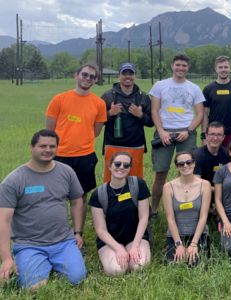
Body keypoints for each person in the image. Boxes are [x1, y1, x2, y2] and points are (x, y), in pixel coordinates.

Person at [0, 130, 86, 289]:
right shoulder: (14, 180)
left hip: (63, 241)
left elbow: (76, 201)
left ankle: (51, 262)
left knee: (77, 278)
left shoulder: (66, 172)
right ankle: (32, 261)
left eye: (52, 146)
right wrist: (6, 258)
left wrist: (77, 233)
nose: (48, 150)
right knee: (35, 288)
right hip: (29, 244)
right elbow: (3, 221)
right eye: (43, 146)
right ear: (31, 147)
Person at [45, 63, 107, 231]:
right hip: (60, 156)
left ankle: (77, 233)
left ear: (95, 80)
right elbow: (49, 131)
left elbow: (96, 132)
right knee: (56, 196)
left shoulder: (99, 104)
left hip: (85, 156)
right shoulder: (59, 99)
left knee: (81, 195)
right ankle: (57, 231)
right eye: (85, 75)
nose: (88, 79)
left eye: (92, 77)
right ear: (76, 75)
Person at [149, 53, 205, 218]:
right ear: (172, 66)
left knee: (187, 172)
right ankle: (154, 210)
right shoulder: (160, 85)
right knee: (160, 174)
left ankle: (186, 207)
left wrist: (188, 131)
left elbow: (200, 114)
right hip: (164, 131)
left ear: (188, 68)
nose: (181, 68)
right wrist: (161, 132)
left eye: (184, 65)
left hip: (186, 132)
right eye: (178, 65)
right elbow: (154, 110)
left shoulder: (194, 88)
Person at [89, 152, 151, 275]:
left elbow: (144, 217)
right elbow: (101, 230)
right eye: (117, 163)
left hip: (135, 237)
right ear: (110, 166)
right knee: (116, 270)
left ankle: (131, 249)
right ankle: (120, 250)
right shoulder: (99, 194)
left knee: (138, 266)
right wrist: (118, 248)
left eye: (126, 165)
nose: (121, 167)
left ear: (129, 169)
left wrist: (135, 246)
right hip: (111, 240)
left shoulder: (139, 185)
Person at [101, 62, 153, 183]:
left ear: (136, 76)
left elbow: (151, 122)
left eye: (131, 73)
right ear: (118, 76)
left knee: (134, 180)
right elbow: (96, 120)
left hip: (136, 146)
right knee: (111, 180)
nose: (127, 76)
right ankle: (110, 202)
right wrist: (110, 114)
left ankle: (134, 202)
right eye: (124, 73)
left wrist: (140, 115)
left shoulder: (143, 97)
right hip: (113, 145)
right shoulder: (108, 95)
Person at [163, 151, 212, 265]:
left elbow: (203, 216)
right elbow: (170, 219)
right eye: (181, 164)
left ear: (194, 164)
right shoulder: (168, 187)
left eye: (189, 162)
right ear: (177, 167)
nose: (185, 166)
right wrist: (178, 244)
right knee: (174, 264)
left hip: (198, 234)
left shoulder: (205, 185)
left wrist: (194, 243)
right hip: (176, 234)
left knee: (195, 263)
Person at [200, 56, 231, 148]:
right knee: (213, 160)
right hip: (213, 133)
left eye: (226, 67)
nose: (223, 70)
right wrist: (204, 134)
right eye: (220, 67)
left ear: (230, 69)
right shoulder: (208, 89)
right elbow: (204, 113)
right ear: (216, 69)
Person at [193, 122, 231, 193]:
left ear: (223, 137)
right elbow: (196, 183)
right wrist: (217, 190)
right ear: (206, 136)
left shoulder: (228, 154)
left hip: (223, 191)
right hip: (202, 192)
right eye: (212, 134)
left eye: (219, 135)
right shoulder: (197, 155)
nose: (215, 138)